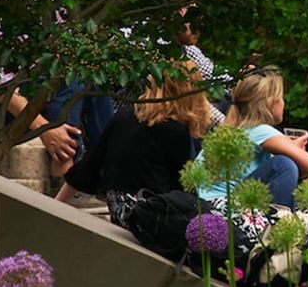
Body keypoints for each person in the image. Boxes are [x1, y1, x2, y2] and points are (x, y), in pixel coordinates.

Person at [54, 62, 209, 223]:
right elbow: (184, 188)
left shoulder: (124, 115)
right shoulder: (176, 131)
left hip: (119, 210)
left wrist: (56, 203)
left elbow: (89, 166)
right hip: (152, 217)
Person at [195, 67, 308, 208]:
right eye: (281, 97)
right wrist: (297, 151)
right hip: (224, 209)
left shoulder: (236, 128)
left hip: (205, 206)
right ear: (271, 102)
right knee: (284, 164)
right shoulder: (260, 131)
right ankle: (278, 222)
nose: (283, 102)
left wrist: (295, 154)